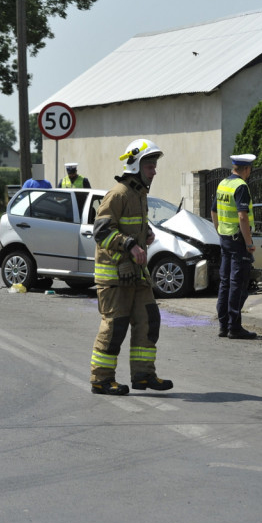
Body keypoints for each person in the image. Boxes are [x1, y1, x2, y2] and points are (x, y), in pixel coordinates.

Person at [88, 139, 172, 396]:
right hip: (114, 278)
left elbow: (130, 225)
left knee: (148, 320)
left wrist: (145, 233)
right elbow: (101, 231)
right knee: (115, 327)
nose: (154, 171)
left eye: (154, 166)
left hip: (136, 276)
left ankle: (144, 375)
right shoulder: (118, 194)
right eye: (150, 166)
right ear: (136, 165)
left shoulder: (139, 194)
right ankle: (101, 379)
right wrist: (131, 245)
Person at [211, 154, 259, 339]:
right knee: (237, 283)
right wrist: (249, 243)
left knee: (225, 283)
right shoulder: (241, 186)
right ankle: (234, 327)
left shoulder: (223, 183)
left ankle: (223, 325)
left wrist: (219, 230)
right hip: (238, 241)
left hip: (225, 238)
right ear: (246, 169)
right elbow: (242, 216)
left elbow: (213, 210)